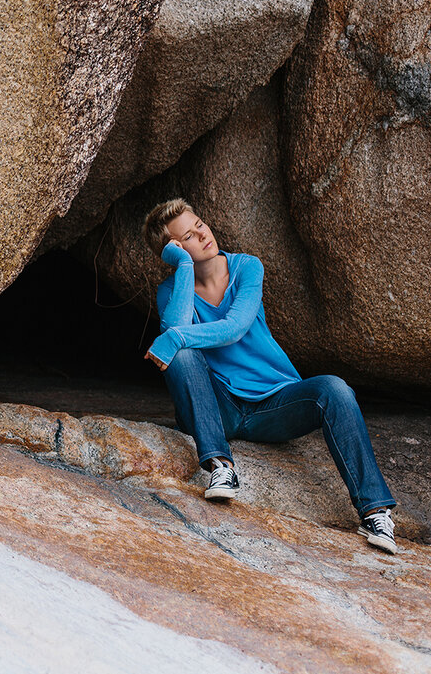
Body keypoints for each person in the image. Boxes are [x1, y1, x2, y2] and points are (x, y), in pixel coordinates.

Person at [141, 198, 398, 553]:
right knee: (183, 356)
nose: (202, 234)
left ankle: (375, 512)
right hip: (219, 409)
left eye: (199, 223)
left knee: (335, 389)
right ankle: (220, 465)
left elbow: (234, 327)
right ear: (172, 250)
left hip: (274, 404)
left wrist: (174, 338)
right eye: (187, 236)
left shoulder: (247, 267)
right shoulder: (171, 290)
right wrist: (184, 268)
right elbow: (178, 332)